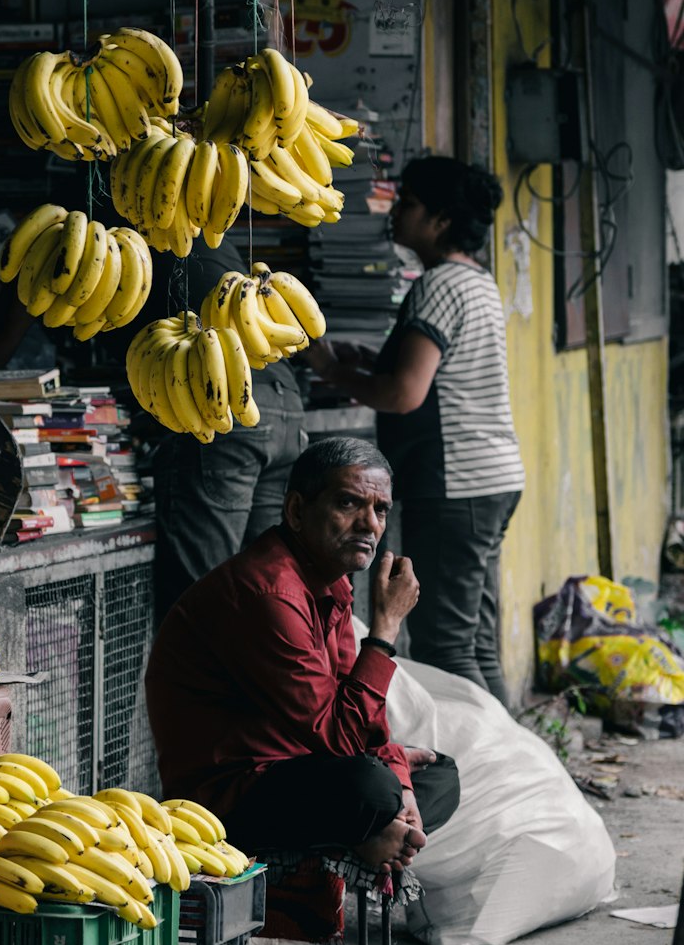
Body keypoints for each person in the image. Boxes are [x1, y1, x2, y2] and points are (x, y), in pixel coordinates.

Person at [145, 436, 460, 873]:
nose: (369, 524)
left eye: (380, 509)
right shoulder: (268, 593)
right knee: (371, 786)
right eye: (349, 504)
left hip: (302, 765)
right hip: (226, 801)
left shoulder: (331, 582)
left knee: (438, 774)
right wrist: (386, 626)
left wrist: (401, 783)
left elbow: (359, 718)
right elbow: (341, 737)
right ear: (297, 511)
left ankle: (375, 832)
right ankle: (367, 834)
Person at [306, 156, 524, 704]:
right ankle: (517, 770)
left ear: (442, 219)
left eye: (409, 204)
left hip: (455, 485)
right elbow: (434, 375)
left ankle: (488, 773)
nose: (395, 212)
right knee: (474, 641)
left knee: (448, 647)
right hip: (489, 481)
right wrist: (370, 363)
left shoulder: (438, 286)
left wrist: (335, 372)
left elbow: (407, 393)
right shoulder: (475, 281)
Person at [146, 232, 307, 621]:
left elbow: (16, 311)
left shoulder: (129, 232)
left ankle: (206, 680)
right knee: (267, 588)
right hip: (284, 403)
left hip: (223, 404)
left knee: (203, 591)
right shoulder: (203, 229)